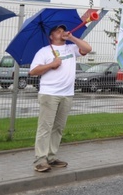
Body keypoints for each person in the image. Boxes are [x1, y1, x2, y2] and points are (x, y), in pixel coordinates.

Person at [29, 24, 91, 172]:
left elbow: (87, 49)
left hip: (67, 94)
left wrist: (71, 37)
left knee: (58, 128)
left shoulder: (71, 48)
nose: (61, 32)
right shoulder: (43, 52)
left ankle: (51, 156)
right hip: (50, 93)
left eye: (63, 30)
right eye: (58, 31)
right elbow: (33, 71)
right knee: (45, 127)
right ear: (51, 36)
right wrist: (51, 64)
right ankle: (40, 159)